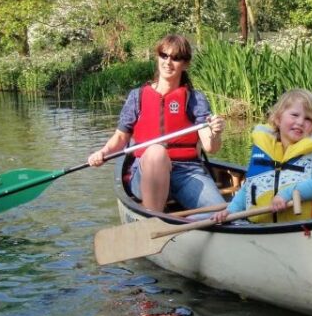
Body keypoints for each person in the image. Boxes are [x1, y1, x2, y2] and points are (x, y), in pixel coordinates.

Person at [88, 34, 226, 213]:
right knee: (156, 152)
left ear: (185, 64)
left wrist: (215, 133)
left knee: (224, 214)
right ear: (158, 57)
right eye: (164, 55)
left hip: (187, 172)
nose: (168, 62)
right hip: (146, 172)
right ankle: (154, 218)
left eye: (176, 58)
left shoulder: (195, 99)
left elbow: (211, 147)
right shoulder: (137, 97)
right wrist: (103, 152)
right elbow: (121, 138)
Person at [211, 88, 312, 224]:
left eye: (308, 119)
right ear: (278, 119)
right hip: (259, 225)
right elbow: (250, 186)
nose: (300, 122)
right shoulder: (264, 150)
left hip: (300, 226)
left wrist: (285, 195)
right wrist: (231, 210)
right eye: (295, 115)